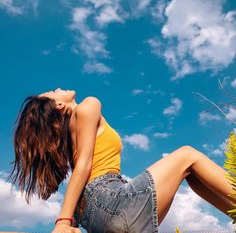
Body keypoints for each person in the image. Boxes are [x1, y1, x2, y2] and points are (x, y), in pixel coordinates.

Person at [8, 88, 236, 233]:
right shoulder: (89, 105)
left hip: (94, 217)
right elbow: (84, 165)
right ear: (58, 105)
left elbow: (80, 175)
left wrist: (73, 222)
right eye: (53, 91)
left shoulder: (70, 139)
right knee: (188, 155)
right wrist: (63, 221)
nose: (58, 88)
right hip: (111, 202)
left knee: (191, 173)